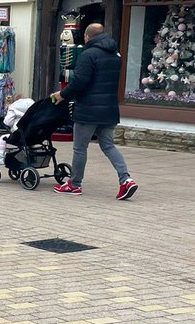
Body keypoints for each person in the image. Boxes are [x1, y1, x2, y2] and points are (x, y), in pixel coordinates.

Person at [52, 23, 138, 200]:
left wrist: (62, 95)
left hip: (88, 109)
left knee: (80, 147)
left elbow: (79, 82)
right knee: (108, 145)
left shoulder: (88, 54)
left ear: (87, 36)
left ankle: (74, 184)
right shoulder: (115, 54)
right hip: (109, 109)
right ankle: (126, 179)